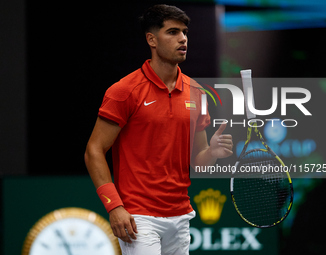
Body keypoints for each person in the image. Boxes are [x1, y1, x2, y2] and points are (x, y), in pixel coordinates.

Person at [84, 4, 233, 255]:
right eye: (173, 32)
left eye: (184, 32)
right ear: (151, 39)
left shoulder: (196, 92)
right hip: (138, 216)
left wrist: (213, 152)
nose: (183, 38)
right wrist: (114, 206)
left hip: (181, 215)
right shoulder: (125, 90)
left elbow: (199, 161)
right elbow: (94, 150)